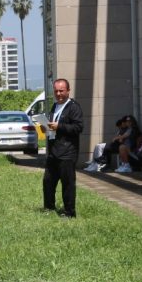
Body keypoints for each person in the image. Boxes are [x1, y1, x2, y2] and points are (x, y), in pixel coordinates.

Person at [42, 78, 85, 218]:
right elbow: (53, 126)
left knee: (67, 184)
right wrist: (46, 129)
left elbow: (78, 127)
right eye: (56, 91)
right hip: (54, 151)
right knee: (48, 181)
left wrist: (59, 126)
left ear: (68, 91)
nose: (58, 94)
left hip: (67, 152)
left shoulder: (74, 107)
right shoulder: (55, 106)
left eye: (61, 91)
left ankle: (69, 213)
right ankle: (49, 207)